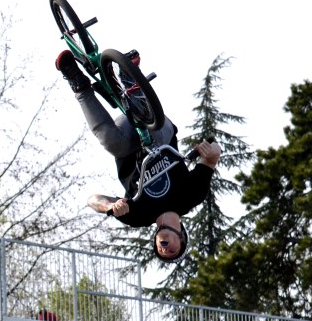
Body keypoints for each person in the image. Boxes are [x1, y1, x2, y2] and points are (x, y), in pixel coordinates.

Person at [55, 49, 222, 263]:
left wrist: (110, 207)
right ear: (182, 236)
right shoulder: (192, 196)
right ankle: (130, 78)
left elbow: (92, 200)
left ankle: (77, 82)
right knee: (157, 132)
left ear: (155, 241)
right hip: (160, 134)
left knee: (112, 143)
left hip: (125, 141)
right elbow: (212, 156)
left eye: (160, 251)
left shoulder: (138, 216)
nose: (165, 250)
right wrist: (212, 153)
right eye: (173, 251)